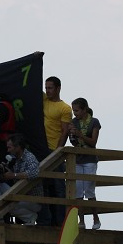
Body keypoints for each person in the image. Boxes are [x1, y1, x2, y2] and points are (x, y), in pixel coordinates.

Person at [0, 133, 41, 224]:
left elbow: (34, 173)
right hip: (20, 195)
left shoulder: (29, 157)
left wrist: (14, 175)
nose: (8, 150)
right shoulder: (14, 159)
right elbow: (7, 176)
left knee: (7, 203)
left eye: (10, 147)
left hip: (33, 200)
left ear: (18, 147)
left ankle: (28, 216)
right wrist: (3, 172)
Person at [41, 76, 72, 226]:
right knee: (43, 185)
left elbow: (65, 131)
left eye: (50, 88)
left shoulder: (65, 108)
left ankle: (60, 221)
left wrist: (58, 151)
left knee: (59, 186)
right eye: (46, 88)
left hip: (54, 149)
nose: (48, 91)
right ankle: (46, 220)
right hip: (41, 148)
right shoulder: (44, 100)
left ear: (58, 88)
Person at [69, 98, 102, 229]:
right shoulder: (74, 122)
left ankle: (96, 218)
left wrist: (79, 134)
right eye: (73, 111)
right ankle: (81, 220)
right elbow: (73, 142)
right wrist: (73, 136)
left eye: (76, 110)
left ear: (84, 109)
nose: (75, 113)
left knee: (89, 190)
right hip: (78, 159)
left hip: (89, 160)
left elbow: (93, 142)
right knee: (77, 191)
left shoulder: (94, 122)